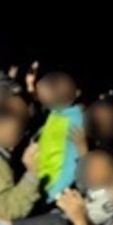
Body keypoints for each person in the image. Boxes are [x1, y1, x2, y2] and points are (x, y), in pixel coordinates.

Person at [0, 151, 113, 225]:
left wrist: (13, 224)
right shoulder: (94, 191)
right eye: (86, 167)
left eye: (93, 168)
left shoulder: (108, 202)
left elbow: (60, 223)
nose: (87, 172)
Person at [34, 71, 84, 202]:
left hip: (49, 190)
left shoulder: (74, 123)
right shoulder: (57, 112)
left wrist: (51, 194)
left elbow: (71, 165)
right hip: (37, 180)